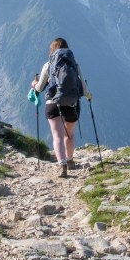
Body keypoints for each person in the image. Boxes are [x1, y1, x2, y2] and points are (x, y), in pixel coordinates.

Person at [32, 37, 92, 178]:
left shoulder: (48, 64)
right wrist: (89, 96)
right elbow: (84, 87)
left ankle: (62, 165)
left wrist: (34, 84)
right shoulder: (75, 65)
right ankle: (70, 161)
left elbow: (40, 88)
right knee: (69, 134)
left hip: (53, 104)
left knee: (57, 135)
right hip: (71, 104)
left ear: (52, 50)